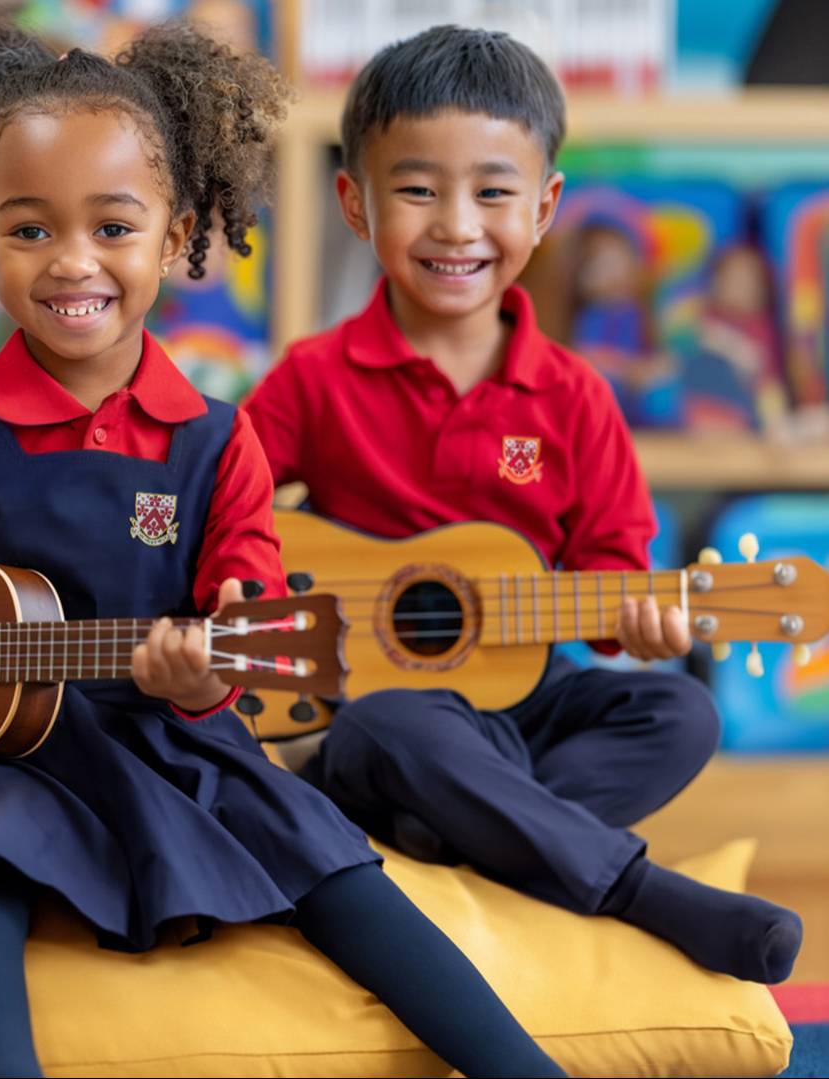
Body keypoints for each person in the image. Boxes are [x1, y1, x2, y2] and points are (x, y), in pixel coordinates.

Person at [0, 9, 565, 1078]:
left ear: (179, 228)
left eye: (112, 227)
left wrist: (205, 674)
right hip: (2, 751)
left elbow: (243, 599)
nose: (71, 264)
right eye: (28, 228)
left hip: (167, 738)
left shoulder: (215, 438)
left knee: (331, 859)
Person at [244, 25, 802, 987]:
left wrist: (646, 624)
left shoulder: (573, 396)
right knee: (396, 725)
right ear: (354, 202)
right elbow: (230, 513)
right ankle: (633, 891)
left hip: (514, 708)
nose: (457, 226)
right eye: (417, 190)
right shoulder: (313, 379)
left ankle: (452, 837)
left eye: (492, 193)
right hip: (380, 726)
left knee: (679, 715)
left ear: (543, 208)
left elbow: (612, 572)